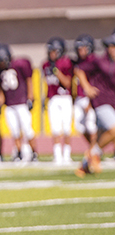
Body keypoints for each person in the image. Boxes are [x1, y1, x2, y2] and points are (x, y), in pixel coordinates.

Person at [74, 33, 115, 174]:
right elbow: (79, 70)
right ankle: (94, 154)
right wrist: (86, 87)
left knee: (101, 136)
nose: (113, 50)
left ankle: (84, 165)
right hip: (101, 101)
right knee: (113, 129)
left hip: (113, 102)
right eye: (111, 47)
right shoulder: (99, 61)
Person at [0, 45, 38, 162]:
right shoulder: (0, 70)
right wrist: (1, 98)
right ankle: (19, 153)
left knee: (27, 129)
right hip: (9, 104)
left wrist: (30, 95)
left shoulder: (19, 64)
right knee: (14, 130)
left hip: (21, 102)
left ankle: (34, 153)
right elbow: (0, 86)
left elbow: (29, 79)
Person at [41, 37, 74, 165]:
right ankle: (57, 155)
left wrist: (57, 71)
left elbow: (67, 83)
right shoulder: (45, 65)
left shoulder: (66, 63)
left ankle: (67, 154)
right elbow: (47, 83)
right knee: (55, 128)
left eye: (53, 51)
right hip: (53, 98)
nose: (51, 54)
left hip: (65, 97)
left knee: (66, 128)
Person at [72, 35, 99, 175]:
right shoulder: (77, 63)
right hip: (79, 98)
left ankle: (94, 154)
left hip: (89, 97)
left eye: (83, 48)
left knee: (91, 126)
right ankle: (93, 149)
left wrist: (90, 99)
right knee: (79, 126)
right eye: (79, 48)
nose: (81, 51)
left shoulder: (94, 62)